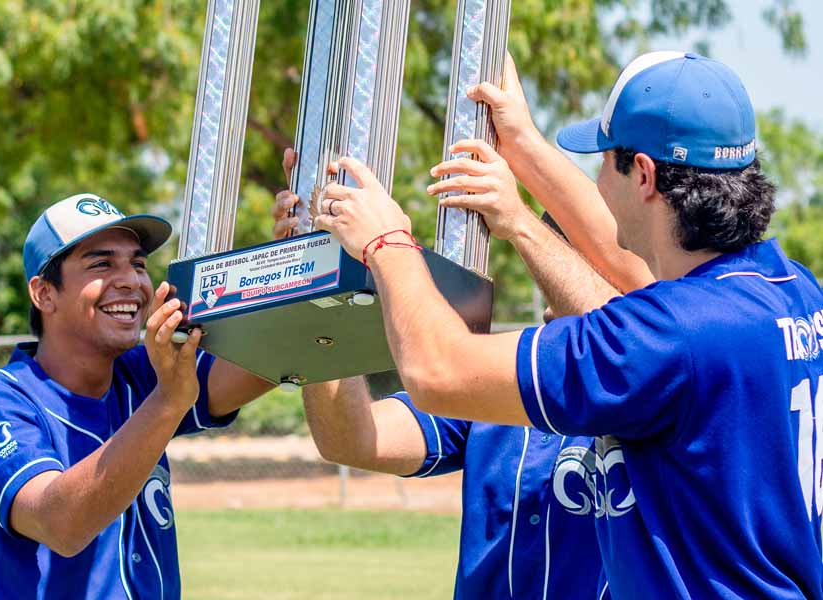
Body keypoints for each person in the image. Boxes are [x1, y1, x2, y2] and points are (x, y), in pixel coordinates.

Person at [312, 52, 823, 598]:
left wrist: (386, 243)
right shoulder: (791, 291)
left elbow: (435, 368)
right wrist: (523, 146)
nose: (597, 183)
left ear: (644, 174)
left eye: (604, 161)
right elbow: (622, 262)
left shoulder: (669, 335)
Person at [270, 51, 645, 597]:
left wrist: (516, 220)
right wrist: (319, 282)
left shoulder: (670, 371)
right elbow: (350, 439)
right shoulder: (502, 374)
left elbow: (623, 346)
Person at [0, 193, 272, 599]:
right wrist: (168, 401)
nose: (131, 281)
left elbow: (271, 360)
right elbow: (59, 524)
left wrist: (305, 255)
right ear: (44, 293)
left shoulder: (141, 374)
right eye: (101, 264)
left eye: (137, 263)